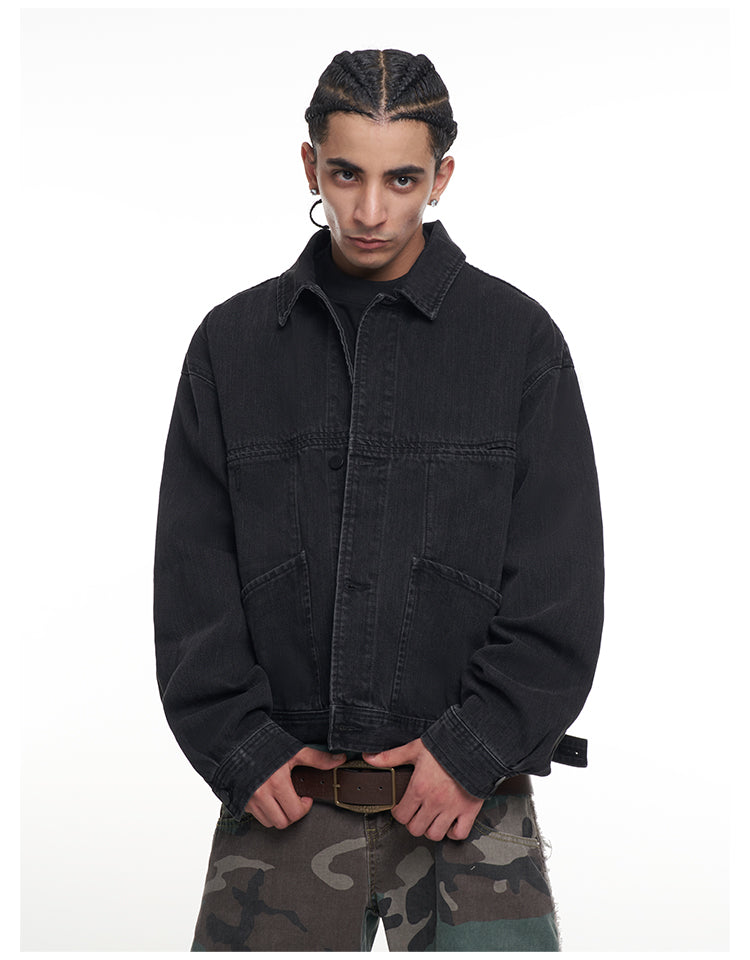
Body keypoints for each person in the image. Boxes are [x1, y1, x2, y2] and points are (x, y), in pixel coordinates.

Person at [153, 48, 605, 952]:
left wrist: (475, 749)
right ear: (309, 165)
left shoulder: (517, 342)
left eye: (401, 179)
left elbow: (559, 582)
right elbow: (193, 574)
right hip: (283, 800)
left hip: (467, 804)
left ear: (442, 177)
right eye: (345, 174)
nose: (369, 211)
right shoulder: (232, 346)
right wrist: (241, 746)